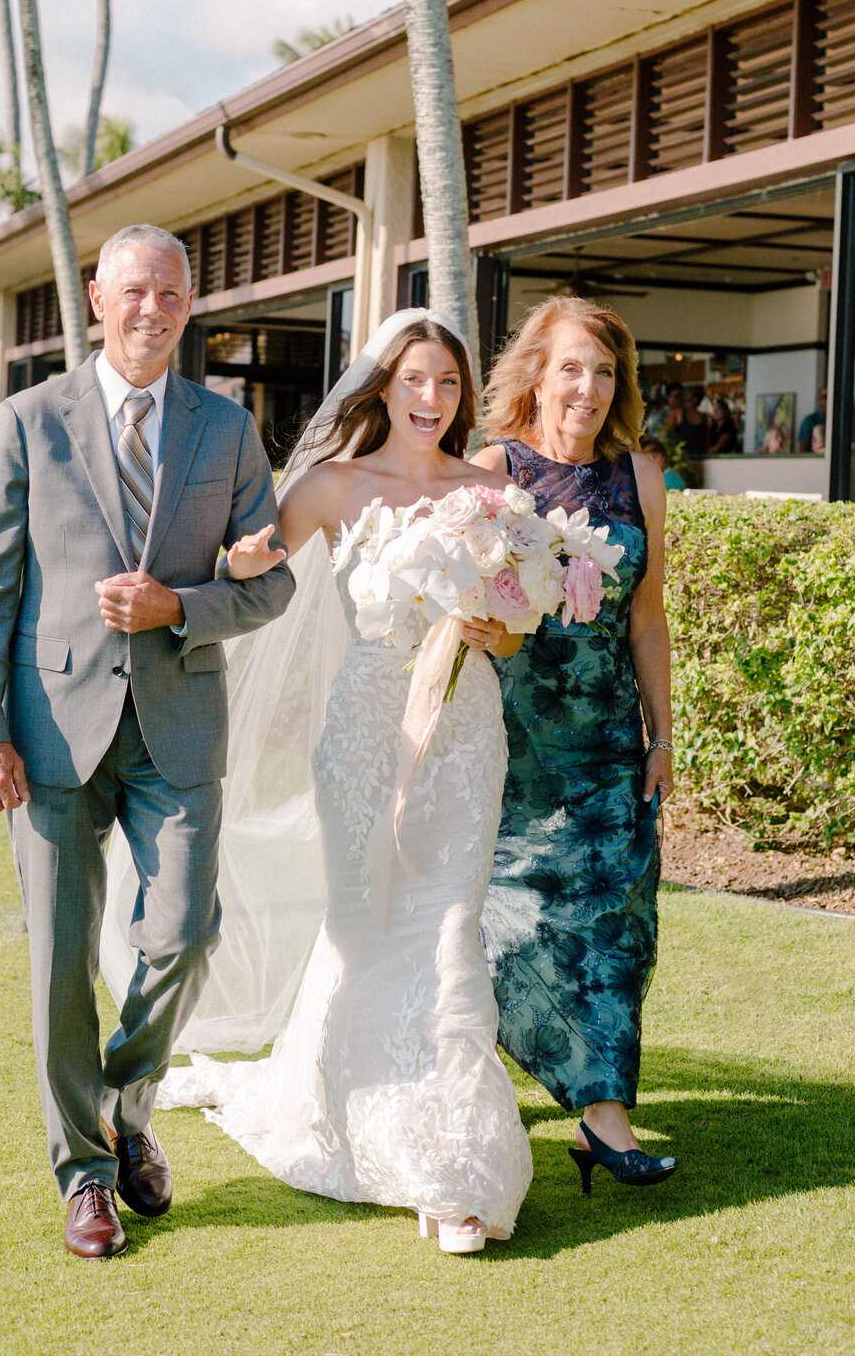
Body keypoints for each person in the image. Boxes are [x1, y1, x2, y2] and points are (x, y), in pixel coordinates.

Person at [145, 313, 533, 1254]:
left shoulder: (491, 488)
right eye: (415, 382)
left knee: (448, 925)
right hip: (363, 729)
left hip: (465, 727)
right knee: (365, 925)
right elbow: (252, 564)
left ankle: (455, 1172)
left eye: (447, 384)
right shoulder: (331, 485)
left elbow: (519, 623)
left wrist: (495, 631)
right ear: (383, 388)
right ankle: (340, 1110)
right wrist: (229, 563)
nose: (432, 401)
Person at [0, 224, 294, 1261]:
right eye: (134, 291)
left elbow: (268, 582)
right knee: (58, 963)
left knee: (186, 929)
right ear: (98, 299)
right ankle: (87, 1177)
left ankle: (126, 1101)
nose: (153, 309)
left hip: (178, 727)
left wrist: (179, 608)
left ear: (191, 306)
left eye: (173, 294)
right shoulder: (26, 420)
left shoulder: (228, 432)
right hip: (51, 731)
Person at [472, 296, 677, 1197]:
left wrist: (664, 734)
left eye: (603, 372)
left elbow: (647, 612)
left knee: (618, 924)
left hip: (606, 737)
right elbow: (465, 608)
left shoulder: (640, 476)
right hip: (512, 738)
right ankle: (480, 1076)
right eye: (570, 368)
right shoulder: (493, 469)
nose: (588, 388)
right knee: (508, 921)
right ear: (536, 374)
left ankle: (605, 1118)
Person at [799, 386, 828, 453]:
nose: (828, 400)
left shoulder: (839, 421)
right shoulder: (809, 420)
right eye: (825, 397)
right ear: (819, 399)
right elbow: (803, 449)